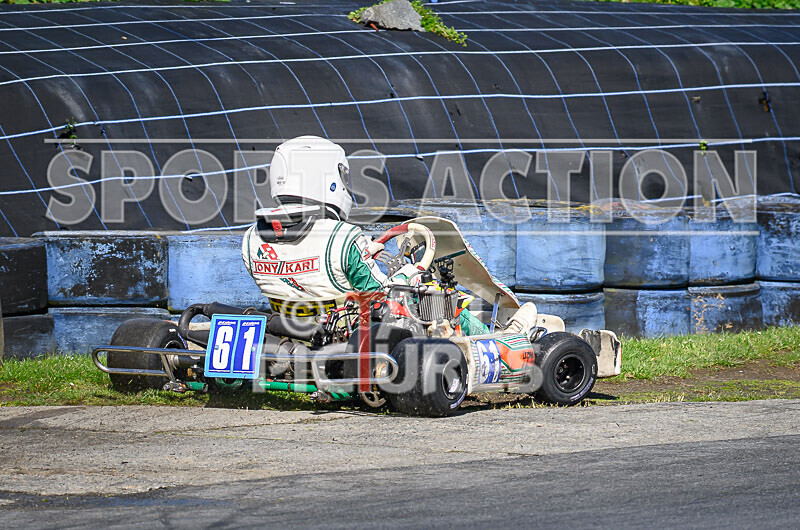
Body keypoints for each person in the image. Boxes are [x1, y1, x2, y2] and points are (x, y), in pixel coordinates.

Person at [241, 135, 490, 334]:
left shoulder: (252, 238)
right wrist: (408, 273)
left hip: (292, 335)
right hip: (349, 338)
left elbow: (308, 270)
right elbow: (381, 296)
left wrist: (363, 253)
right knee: (441, 299)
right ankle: (496, 344)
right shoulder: (342, 238)